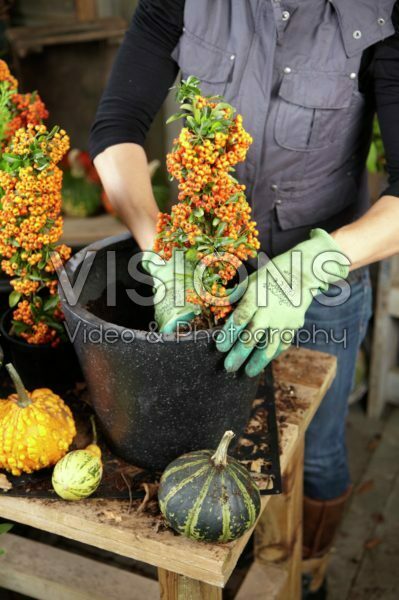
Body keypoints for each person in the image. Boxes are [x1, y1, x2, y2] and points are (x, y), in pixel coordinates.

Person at [89, 1, 399, 597]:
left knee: (317, 448)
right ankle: (232, 562)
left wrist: (312, 267)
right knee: (209, 438)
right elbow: (118, 124)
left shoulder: (379, 13)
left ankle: (305, 575)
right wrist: (160, 246)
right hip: (203, 274)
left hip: (320, 285)